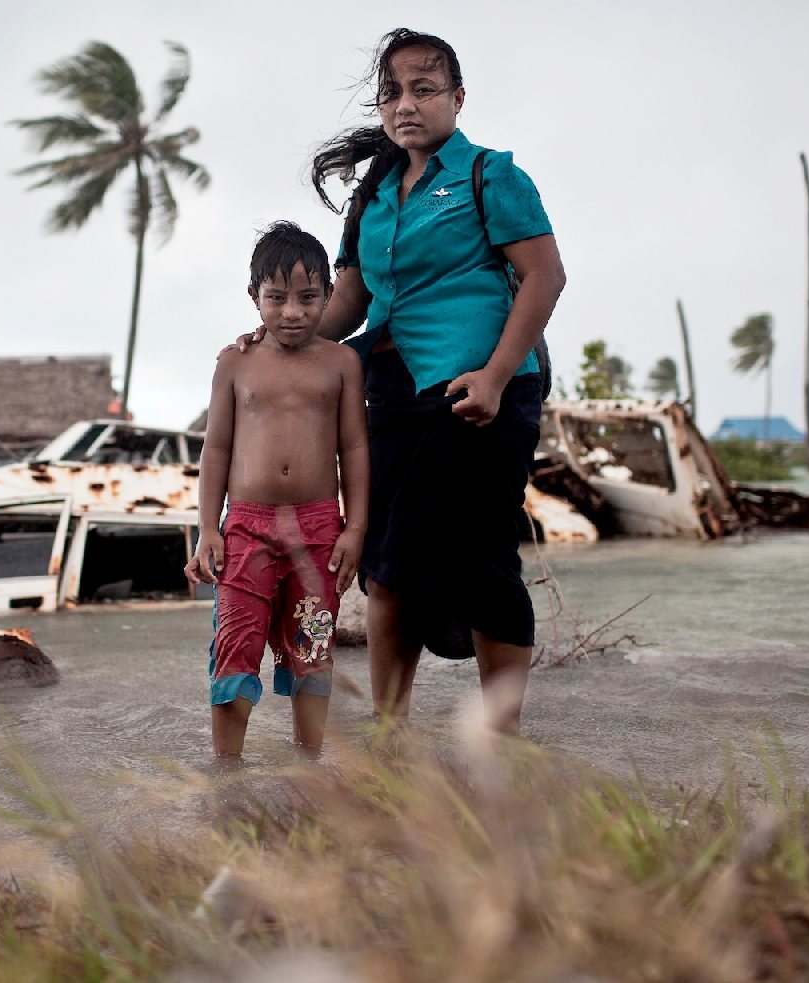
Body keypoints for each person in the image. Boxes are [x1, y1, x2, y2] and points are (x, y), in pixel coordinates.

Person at [244, 29, 566, 735]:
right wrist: (276, 337)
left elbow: (545, 275)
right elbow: (349, 301)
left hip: (479, 394)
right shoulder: (377, 196)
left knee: (482, 559)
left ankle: (500, 741)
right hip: (390, 393)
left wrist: (494, 374)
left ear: (456, 96)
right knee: (384, 566)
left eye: (423, 88)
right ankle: (389, 738)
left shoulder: (490, 174)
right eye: (391, 92)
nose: (405, 105)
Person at [185, 222, 369, 758]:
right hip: (246, 527)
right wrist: (206, 529)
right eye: (277, 298)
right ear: (254, 297)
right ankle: (227, 774)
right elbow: (215, 449)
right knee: (235, 646)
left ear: (330, 297)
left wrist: (354, 528)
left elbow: (354, 449)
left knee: (313, 648)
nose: (292, 312)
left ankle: (308, 769)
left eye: (309, 298)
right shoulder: (235, 361)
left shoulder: (341, 363)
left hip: (318, 528)